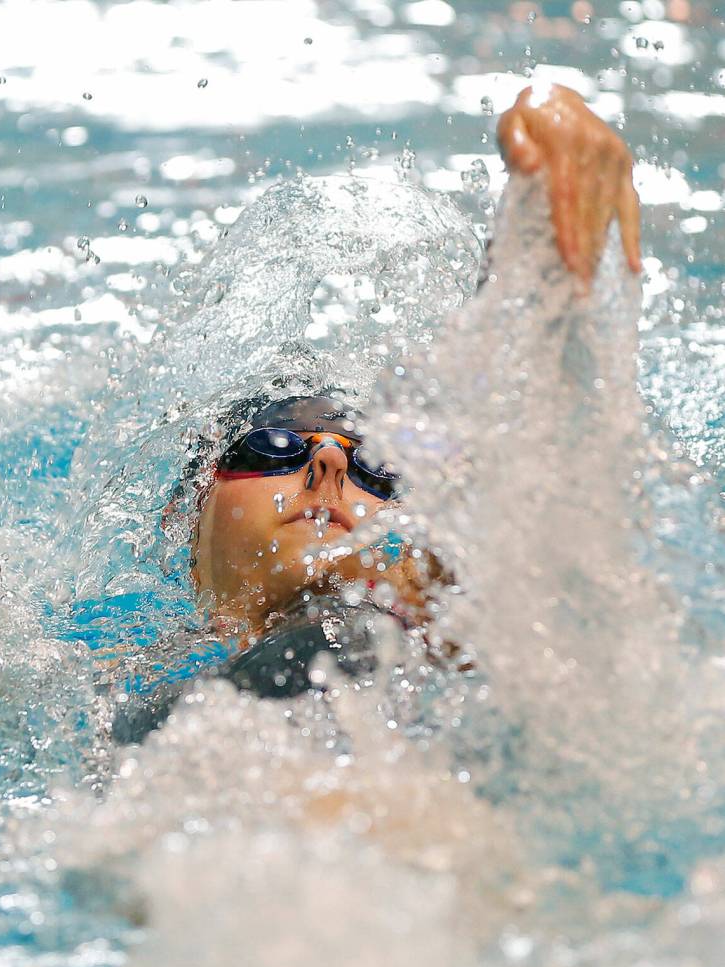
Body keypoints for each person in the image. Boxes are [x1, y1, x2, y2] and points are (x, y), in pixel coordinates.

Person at [108, 84, 642, 742]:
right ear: (186, 517)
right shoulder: (104, 696)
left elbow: (547, 430)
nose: (330, 460)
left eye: (378, 466)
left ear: (424, 557)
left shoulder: (498, 661)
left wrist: (539, 209)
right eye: (274, 443)